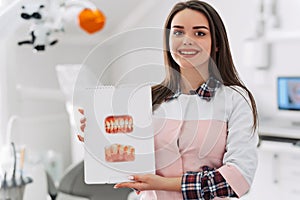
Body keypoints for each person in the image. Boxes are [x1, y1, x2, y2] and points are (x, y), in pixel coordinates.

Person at [78, 1, 258, 199]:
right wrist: (98, 135)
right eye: (178, 32)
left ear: (216, 44)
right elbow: (129, 159)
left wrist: (163, 184)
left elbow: (238, 179)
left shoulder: (235, 100)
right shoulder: (147, 99)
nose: (187, 40)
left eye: (199, 33)